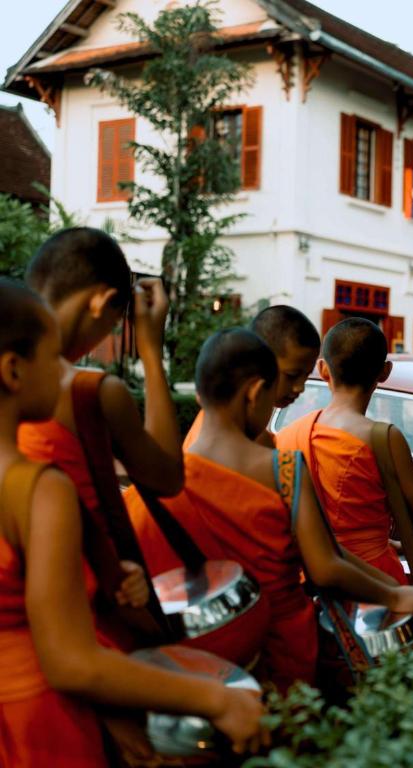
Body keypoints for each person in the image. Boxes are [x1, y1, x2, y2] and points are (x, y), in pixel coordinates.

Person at [0, 280, 266, 765]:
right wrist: (217, 699)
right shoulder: (39, 488)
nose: (64, 369)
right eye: (52, 358)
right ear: (13, 370)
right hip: (35, 724)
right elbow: (71, 662)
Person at [125, 329, 413, 692]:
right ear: (256, 392)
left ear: (199, 394)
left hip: (207, 650)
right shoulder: (282, 469)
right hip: (282, 643)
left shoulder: (165, 482)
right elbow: (325, 567)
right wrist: (394, 594)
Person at [18, 228, 183, 649]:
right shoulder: (88, 392)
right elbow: (167, 478)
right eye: (113, 323)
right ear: (100, 302)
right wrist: (150, 350)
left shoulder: (14, 379)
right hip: (83, 622)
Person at [276, 318, 413, 595]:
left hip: (306, 576)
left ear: (323, 370)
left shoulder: (288, 435)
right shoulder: (383, 439)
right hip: (373, 581)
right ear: (385, 372)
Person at [183, 305, 320, 449]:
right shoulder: (244, 443)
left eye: (307, 376)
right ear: (258, 362)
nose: (300, 388)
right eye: (292, 375)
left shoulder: (227, 424)